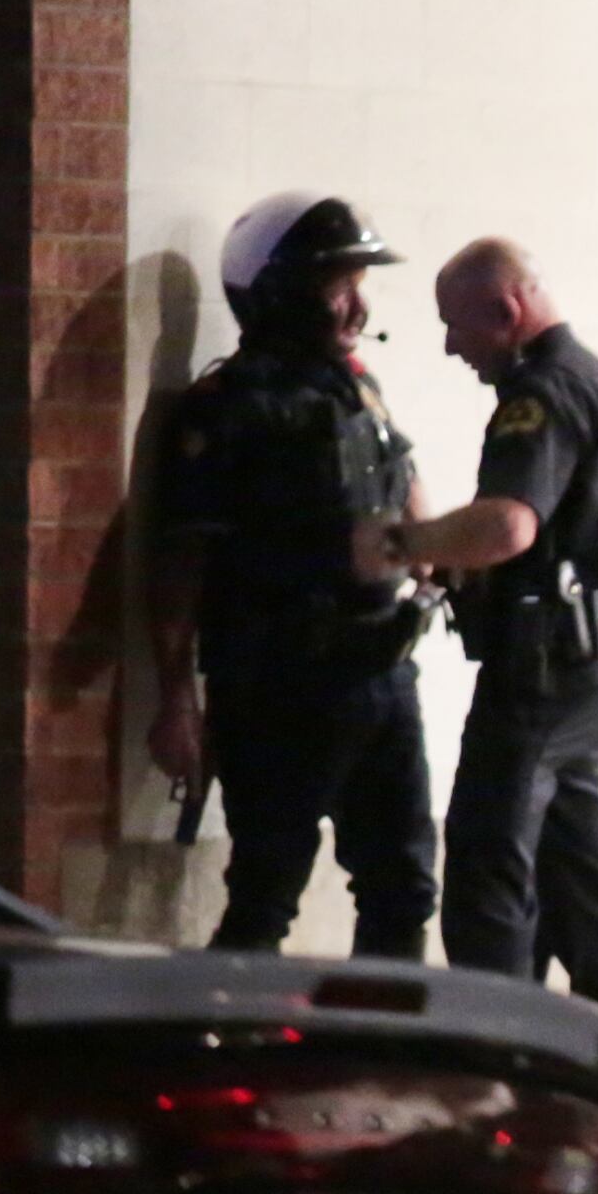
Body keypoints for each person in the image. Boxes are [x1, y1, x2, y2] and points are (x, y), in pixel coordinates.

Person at [364, 239, 598, 1173]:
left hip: (544, 669)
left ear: (505, 311)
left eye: (456, 326)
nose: (451, 348)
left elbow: (511, 524)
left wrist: (402, 543)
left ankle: (491, 1106)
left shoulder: (538, 396)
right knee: (584, 892)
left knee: (487, 880)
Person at [149, 192, 435, 960]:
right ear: (279, 291)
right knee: (266, 893)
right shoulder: (230, 408)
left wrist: (438, 562)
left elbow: (407, 492)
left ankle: (380, 1034)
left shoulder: (359, 387)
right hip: (280, 683)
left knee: (403, 887)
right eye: (339, 285)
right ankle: (231, 1033)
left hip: (381, 669)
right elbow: (181, 562)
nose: (358, 305)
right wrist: (177, 697)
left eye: (359, 283)